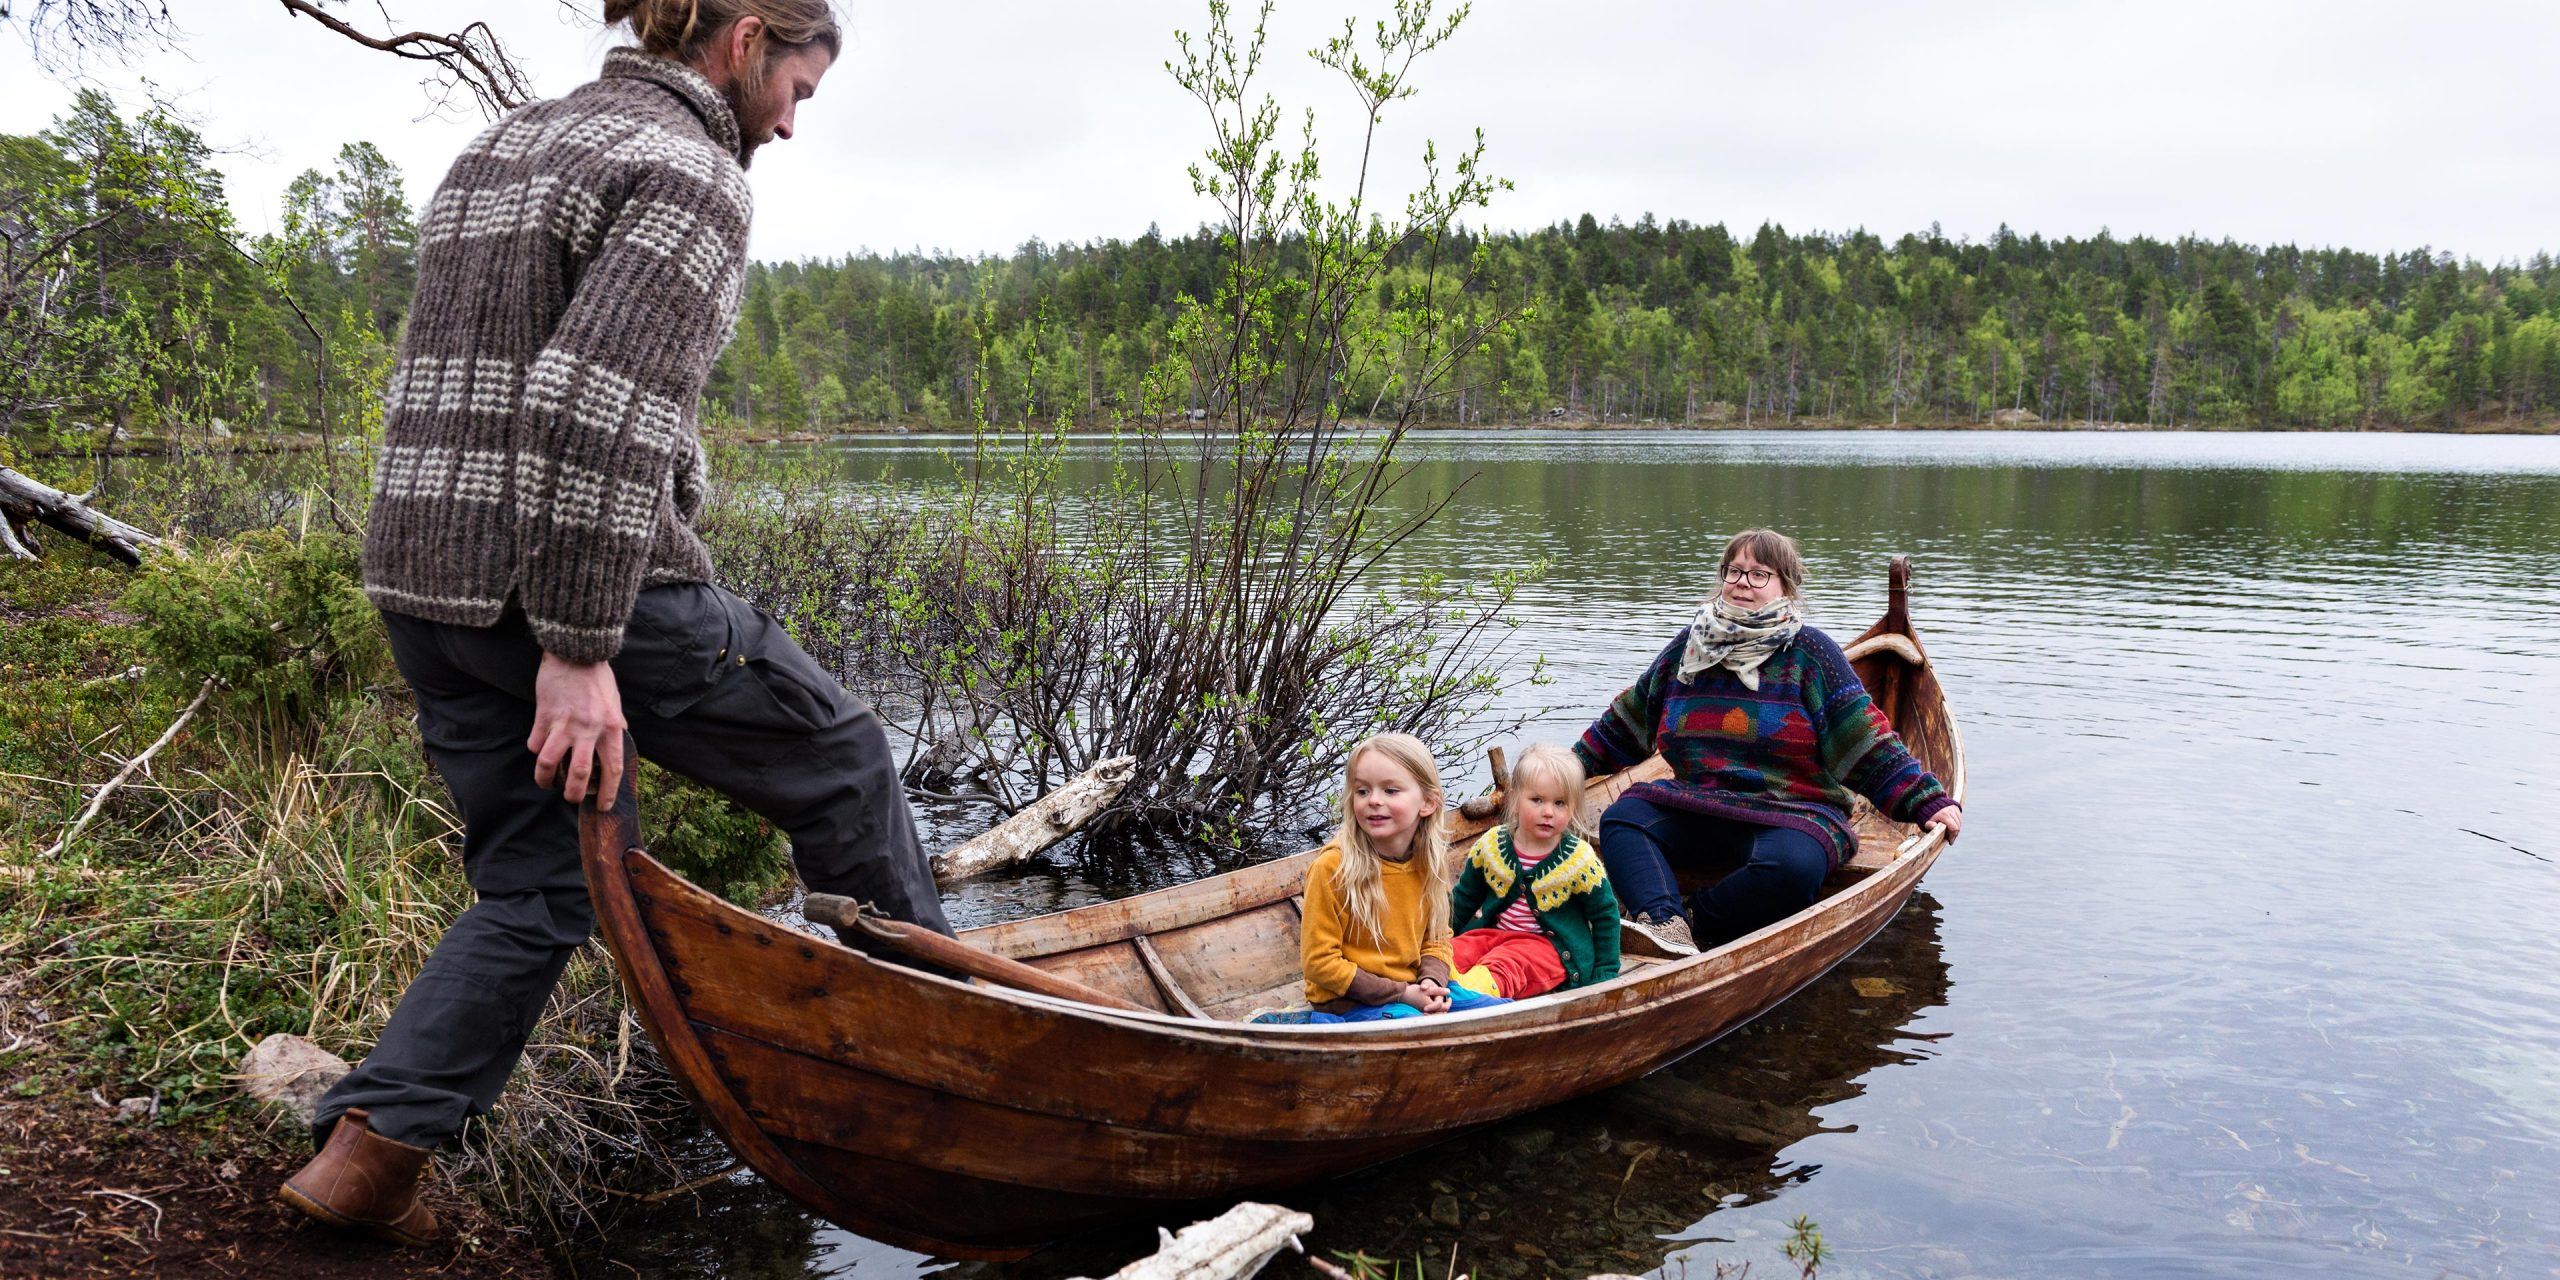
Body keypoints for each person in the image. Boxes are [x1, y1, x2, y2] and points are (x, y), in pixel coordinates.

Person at [280, 1, 951, 1247]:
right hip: (577, 592)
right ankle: (949, 1068)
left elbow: (463, 375)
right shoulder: (689, 172)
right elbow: (589, 413)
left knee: (536, 887)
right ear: (744, 40)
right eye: (797, 89)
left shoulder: (505, 145)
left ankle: (364, 1157)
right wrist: (579, 649)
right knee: (846, 759)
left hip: (426, 583)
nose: (793, 125)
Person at [1577, 529, 1961, 957]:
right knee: (1623, 820)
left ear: (1786, 588)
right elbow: (1628, 720)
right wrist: (1570, 768)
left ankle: (1700, 920)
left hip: (1792, 811)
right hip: (1696, 801)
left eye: (1760, 574)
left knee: (1794, 869)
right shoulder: (1690, 648)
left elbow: (1864, 739)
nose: (1742, 582)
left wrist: (1925, 800)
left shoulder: (1810, 652)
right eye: (1735, 571)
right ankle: (1664, 924)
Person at [1287, 734, 1482, 1022]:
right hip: (1348, 1001)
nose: (1373, 800)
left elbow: (1437, 937)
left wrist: (1433, 981)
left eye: (1390, 790)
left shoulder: (1426, 861)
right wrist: (1402, 993)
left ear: (1427, 802)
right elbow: (1320, 964)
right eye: (1362, 791)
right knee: (1418, 1026)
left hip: (1411, 988)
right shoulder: (1333, 868)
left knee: (1501, 1009)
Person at [1445, 743, 1622, 998]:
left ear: (1572, 808)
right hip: (1492, 934)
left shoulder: (1578, 860)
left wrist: (1605, 974)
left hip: (1549, 949)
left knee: (1508, 964)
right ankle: (1426, 985)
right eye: (1537, 800)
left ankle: (1467, 995)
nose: (1548, 812)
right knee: (1453, 951)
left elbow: (1605, 916)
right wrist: (1437, 938)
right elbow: (1463, 899)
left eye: (1560, 803)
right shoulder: (1491, 845)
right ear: (1516, 800)